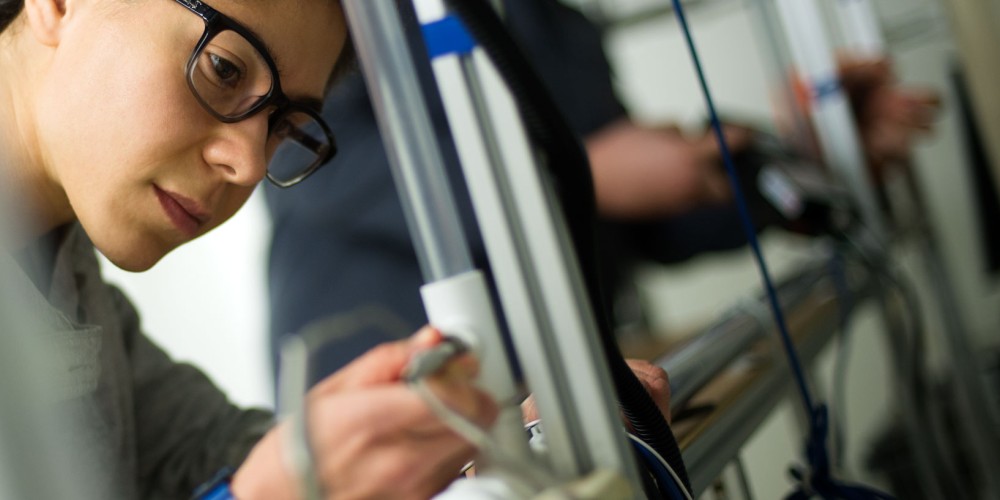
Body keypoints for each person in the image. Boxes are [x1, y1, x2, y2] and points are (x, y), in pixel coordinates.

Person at [0, 0, 525, 498]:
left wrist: (423, 432)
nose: (249, 165)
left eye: (283, 127)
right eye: (224, 68)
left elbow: (198, 456)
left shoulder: (62, 276)